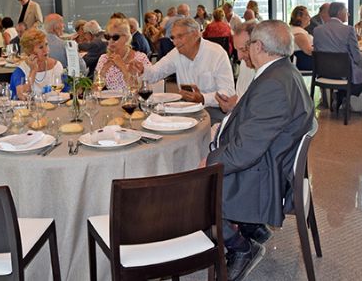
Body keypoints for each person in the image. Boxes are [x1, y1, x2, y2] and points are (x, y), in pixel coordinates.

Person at [202, 20, 315, 281]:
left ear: (259, 46)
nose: (245, 51)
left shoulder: (274, 84)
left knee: (196, 183)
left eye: (249, 44)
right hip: (270, 160)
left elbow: (244, 153)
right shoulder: (281, 71)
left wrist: (209, 161)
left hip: (265, 176)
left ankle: (242, 247)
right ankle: (252, 227)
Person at [132, 18, 235, 119]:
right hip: (186, 109)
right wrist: (142, 70)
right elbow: (155, 73)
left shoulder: (216, 54)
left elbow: (228, 92)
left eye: (180, 36)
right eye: (173, 37)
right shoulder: (176, 53)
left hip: (213, 110)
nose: (175, 42)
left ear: (195, 34)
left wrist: (203, 98)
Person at [313, 2, 362, 100]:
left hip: (323, 72)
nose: (348, 14)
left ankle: (341, 93)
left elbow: (317, 51)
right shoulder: (348, 30)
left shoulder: (317, 30)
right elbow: (357, 58)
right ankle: (344, 94)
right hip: (344, 73)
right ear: (340, 12)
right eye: (346, 11)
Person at [95, 18, 151, 90]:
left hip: (133, 100)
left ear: (127, 37)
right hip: (110, 100)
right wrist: (103, 70)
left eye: (115, 37)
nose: (111, 41)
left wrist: (122, 67)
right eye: (108, 37)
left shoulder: (140, 58)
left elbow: (141, 90)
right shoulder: (104, 58)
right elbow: (95, 91)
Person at [12, 28, 66, 98]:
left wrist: (48, 90)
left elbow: (63, 89)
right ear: (30, 51)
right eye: (41, 47)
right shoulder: (21, 70)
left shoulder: (56, 65)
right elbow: (22, 95)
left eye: (46, 44)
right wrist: (33, 70)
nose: (46, 50)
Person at [215, 21, 257, 113]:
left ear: (258, 46)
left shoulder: (269, 74)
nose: (239, 57)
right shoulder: (245, 64)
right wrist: (228, 102)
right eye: (237, 50)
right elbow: (239, 95)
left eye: (243, 49)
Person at [289, 5, 314, 71]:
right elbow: (308, 51)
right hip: (304, 62)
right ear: (299, 17)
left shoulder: (296, 30)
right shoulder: (298, 32)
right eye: (307, 15)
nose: (310, 17)